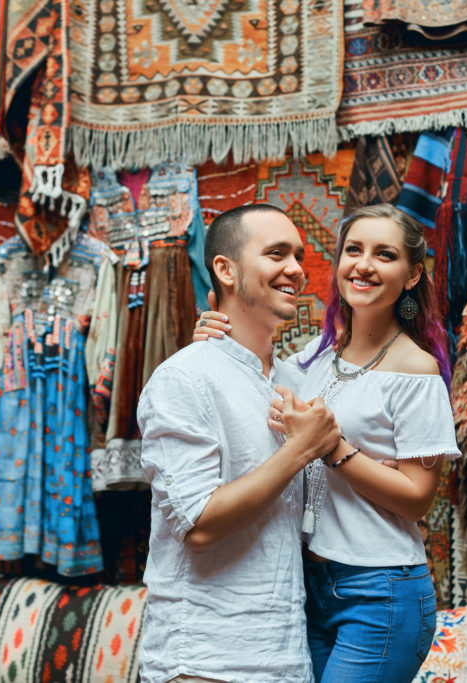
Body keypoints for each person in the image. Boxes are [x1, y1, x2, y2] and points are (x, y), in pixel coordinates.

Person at [195, 204, 461, 683]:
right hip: (308, 585)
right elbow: (251, 373)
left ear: (412, 274)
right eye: (353, 250)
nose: (363, 265)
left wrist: (333, 448)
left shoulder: (417, 371)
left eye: (385, 255)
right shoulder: (311, 359)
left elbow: (418, 498)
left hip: (381, 591)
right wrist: (214, 335)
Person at [136, 204, 342, 683]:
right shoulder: (184, 379)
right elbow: (200, 524)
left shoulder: (296, 382)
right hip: (205, 660)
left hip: (287, 655)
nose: (295, 268)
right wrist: (299, 451)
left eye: (298, 254)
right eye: (276, 253)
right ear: (225, 270)